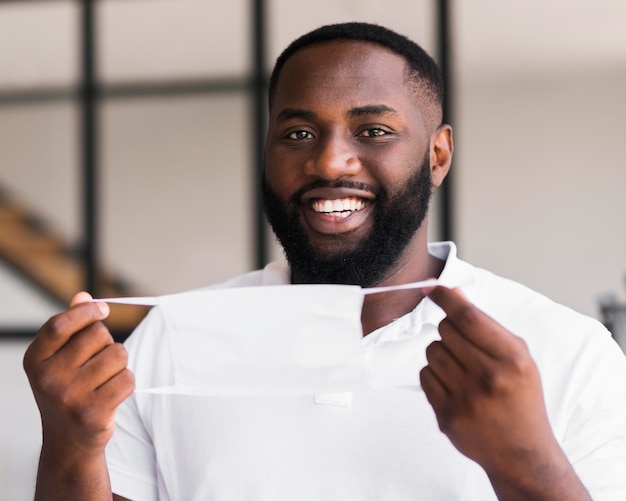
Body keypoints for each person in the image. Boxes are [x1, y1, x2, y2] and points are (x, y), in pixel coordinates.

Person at [23, 22, 626, 500]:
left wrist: (525, 464)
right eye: (299, 135)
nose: (331, 163)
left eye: (374, 131)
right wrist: (70, 445)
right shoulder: (174, 338)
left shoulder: (564, 349)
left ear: (438, 155)